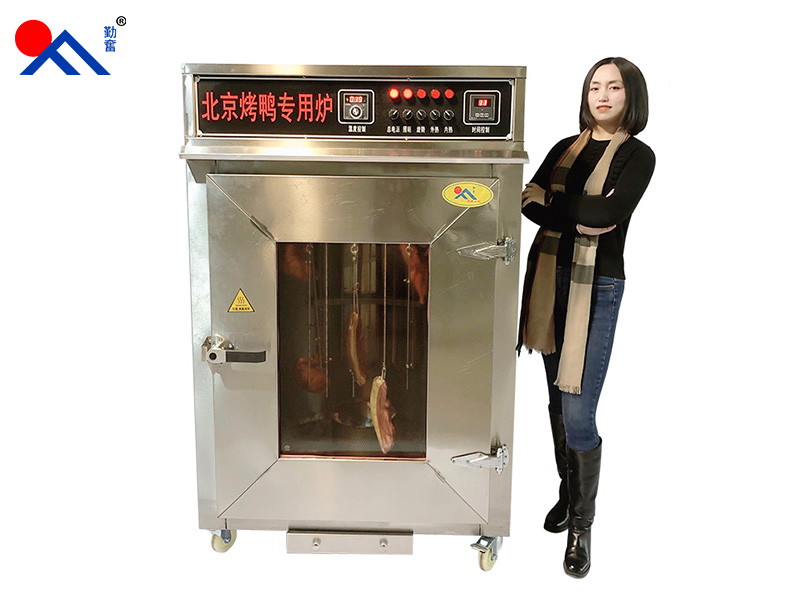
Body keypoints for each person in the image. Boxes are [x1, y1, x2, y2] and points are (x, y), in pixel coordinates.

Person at [517, 57, 655, 578]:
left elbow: (608, 214)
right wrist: (576, 211)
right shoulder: (563, 148)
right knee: (556, 400)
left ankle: (582, 525)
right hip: (548, 281)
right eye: (595, 86)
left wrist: (558, 204)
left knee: (578, 411)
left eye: (614, 87)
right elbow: (527, 200)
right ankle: (566, 491)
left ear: (630, 96)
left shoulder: (638, 155)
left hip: (597, 287)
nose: (602, 94)